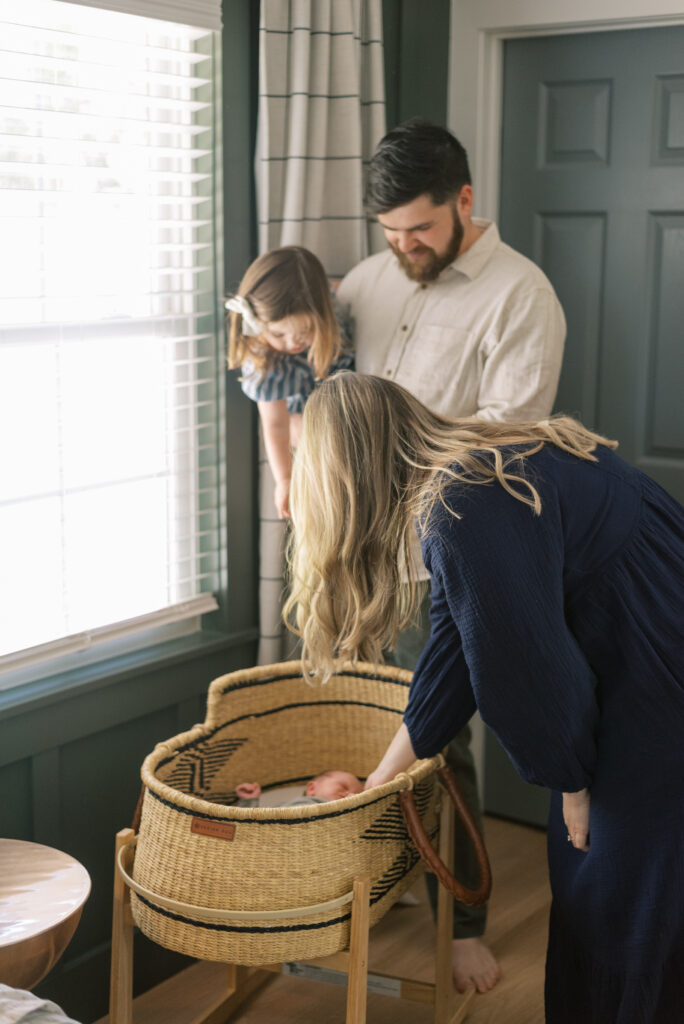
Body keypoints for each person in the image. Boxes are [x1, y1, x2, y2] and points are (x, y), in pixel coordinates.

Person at [284, 372, 684, 1023]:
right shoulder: (482, 465)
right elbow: (456, 649)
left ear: (347, 469)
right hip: (654, 647)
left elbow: (526, 675)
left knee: (616, 896)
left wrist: (572, 784)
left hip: (660, 679)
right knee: (624, 886)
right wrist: (387, 776)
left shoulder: (464, 506)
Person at [336, 118, 567, 992]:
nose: (403, 248)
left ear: (465, 202)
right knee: (361, 715)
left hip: (442, 558)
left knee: (432, 735)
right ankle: (388, 875)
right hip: (359, 549)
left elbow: (507, 448)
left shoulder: (521, 296)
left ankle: (461, 916)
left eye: (420, 231)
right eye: (390, 234)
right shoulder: (372, 276)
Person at [227, 245, 352, 518]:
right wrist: (284, 479)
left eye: (305, 330)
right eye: (279, 334)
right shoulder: (264, 363)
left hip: (340, 388)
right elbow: (275, 425)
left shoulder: (328, 315)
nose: (294, 342)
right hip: (304, 414)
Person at [235, 769, 363, 807]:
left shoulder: (338, 811)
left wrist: (353, 807)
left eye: (356, 794)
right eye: (343, 787)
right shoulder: (286, 806)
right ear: (312, 788)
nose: (349, 794)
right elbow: (250, 824)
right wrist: (250, 800)